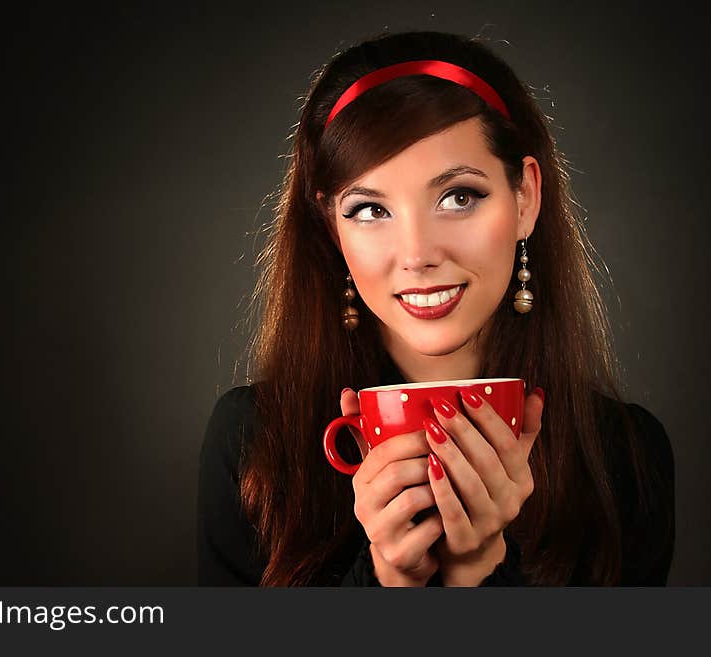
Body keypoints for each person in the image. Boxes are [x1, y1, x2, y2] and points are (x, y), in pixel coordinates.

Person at [197, 30, 674, 586]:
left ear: (525, 199)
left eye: (459, 197)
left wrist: (481, 573)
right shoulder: (253, 444)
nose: (418, 254)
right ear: (332, 229)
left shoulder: (626, 461)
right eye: (371, 209)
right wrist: (386, 583)